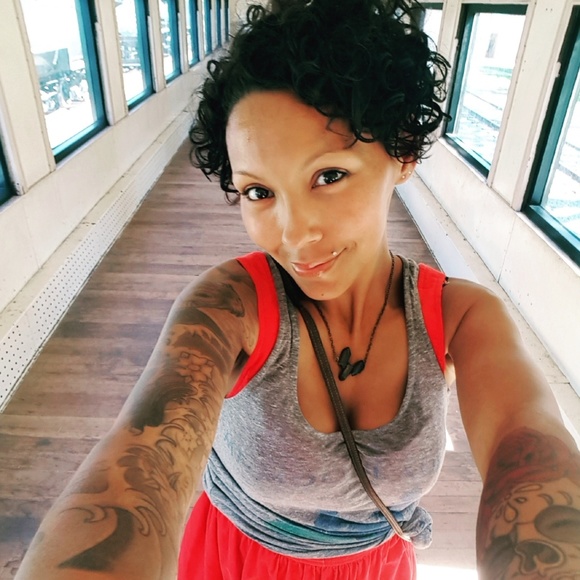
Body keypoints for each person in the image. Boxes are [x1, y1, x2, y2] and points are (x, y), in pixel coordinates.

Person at [15, 0, 580, 579]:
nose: (293, 234)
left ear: (403, 151)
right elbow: (142, 457)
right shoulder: (228, 307)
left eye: (329, 176)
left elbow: (528, 445)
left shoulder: (462, 318)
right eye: (259, 192)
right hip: (233, 560)